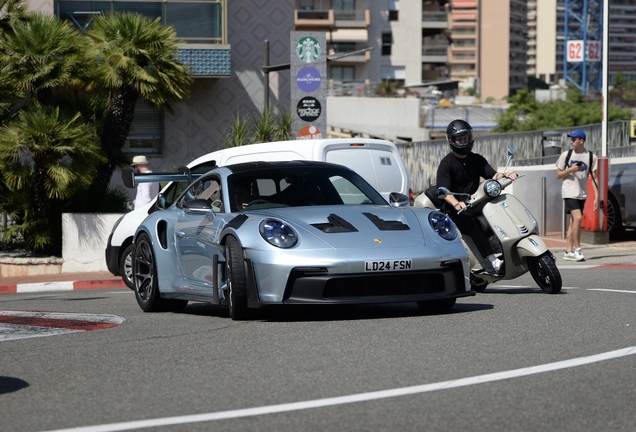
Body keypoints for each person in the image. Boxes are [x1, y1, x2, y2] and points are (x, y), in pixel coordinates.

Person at [436, 119, 518, 274]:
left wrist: (506, 175)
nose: (463, 141)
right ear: (452, 141)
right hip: (454, 209)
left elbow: (493, 174)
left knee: (496, 207)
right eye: (459, 139)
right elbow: (443, 190)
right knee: (471, 222)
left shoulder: (476, 159)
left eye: (465, 138)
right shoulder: (446, 164)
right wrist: (456, 203)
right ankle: (492, 260)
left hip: (473, 202)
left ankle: (507, 246)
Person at [556, 129, 599, 261]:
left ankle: (568, 251)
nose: (572, 141)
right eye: (571, 139)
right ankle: (577, 249)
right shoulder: (566, 155)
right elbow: (558, 175)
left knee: (573, 222)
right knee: (578, 218)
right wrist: (570, 169)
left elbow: (595, 178)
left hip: (582, 193)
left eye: (574, 139)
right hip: (569, 191)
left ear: (582, 141)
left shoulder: (591, 156)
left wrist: (597, 196)